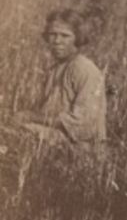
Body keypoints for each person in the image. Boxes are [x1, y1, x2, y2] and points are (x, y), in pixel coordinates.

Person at [14, 8, 107, 147]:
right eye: (53, 35)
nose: (57, 41)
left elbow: (85, 125)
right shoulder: (55, 69)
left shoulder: (84, 68)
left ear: (78, 38)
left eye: (65, 36)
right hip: (55, 138)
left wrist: (33, 117)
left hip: (80, 147)